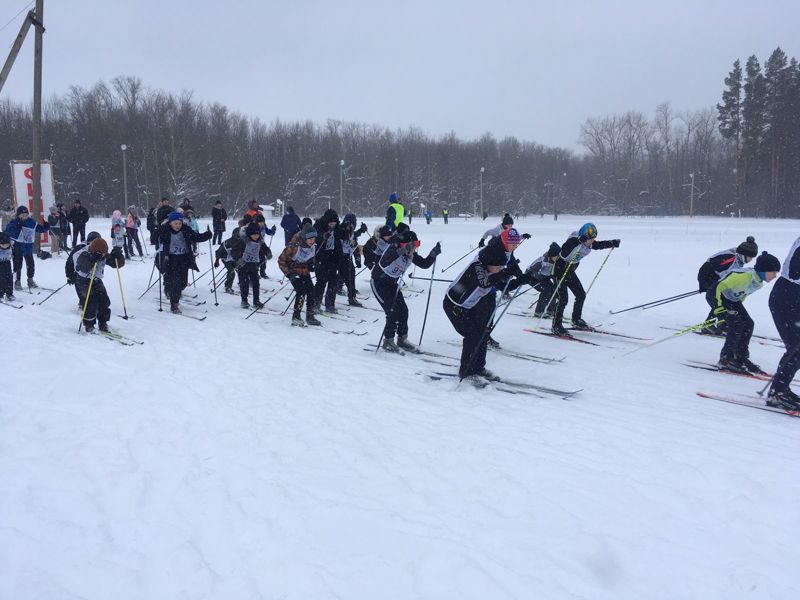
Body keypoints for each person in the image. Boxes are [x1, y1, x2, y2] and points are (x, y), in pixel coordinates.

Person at [444, 235, 528, 380]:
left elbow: (502, 286)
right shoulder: (476, 267)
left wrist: (523, 279)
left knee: (483, 334)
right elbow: (484, 282)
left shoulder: (491, 270)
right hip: (454, 306)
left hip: (468, 306)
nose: (500, 269)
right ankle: (466, 371)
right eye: (498, 266)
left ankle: (478, 368)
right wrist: (505, 273)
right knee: (472, 337)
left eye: (502, 266)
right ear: (490, 263)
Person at [371, 229, 441, 352]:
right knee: (392, 312)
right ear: (405, 245)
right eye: (413, 245)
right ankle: (388, 340)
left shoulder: (410, 254)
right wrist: (402, 250)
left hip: (393, 285)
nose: (415, 249)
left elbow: (424, 264)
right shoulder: (393, 249)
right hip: (379, 283)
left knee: (403, 310)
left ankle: (402, 339)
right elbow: (384, 262)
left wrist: (433, 254)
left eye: (417, 244)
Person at [714, 251, 780, 375]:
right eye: (773, 272)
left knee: (748, 324)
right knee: (737, 324)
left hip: (732, 299)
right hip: (721, 296)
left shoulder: (758, 282)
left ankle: (740, 356)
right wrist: (719, 310)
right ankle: (726, 359)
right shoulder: (745, 276)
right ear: (764, 270)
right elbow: (716, 288)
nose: (775, 276)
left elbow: (741, 294)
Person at [550, 223, 620, 336]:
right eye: (590, 239)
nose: (592, 241)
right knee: (563, 299)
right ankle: (556, 326)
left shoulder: (589, 243)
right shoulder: (573, 241)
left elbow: (598, 245)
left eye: (593, 239)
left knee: (581, 294)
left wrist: (612, 243)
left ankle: (576, 320)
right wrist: (578, 241)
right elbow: (564, 249)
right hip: (559, 270)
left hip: (569, 271)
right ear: (583, 236)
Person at [697, 236, 758, 334]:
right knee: (720, 299)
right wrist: (705, 285)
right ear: (743, 254)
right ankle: (709, 324)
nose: (751, 260)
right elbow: (713, 268)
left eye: (752, 257)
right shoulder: (730, 258)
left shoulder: (739, 258)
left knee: (726, 298)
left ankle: (723, 323)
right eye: (750, 257)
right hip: (708, 276)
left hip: (717, 277)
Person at [767, 238, 800, 410]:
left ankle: (780, 389)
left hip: (793, 297)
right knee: (796, 348)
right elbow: (795, 273)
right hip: (786, 298)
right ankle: (777, 393)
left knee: (797, 348)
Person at [157, 211, 212, 313]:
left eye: (179, 223)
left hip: (184, 259)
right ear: (170, 223)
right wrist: (158, 232)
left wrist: (207, 235)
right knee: (175, 283)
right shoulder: (165, 230)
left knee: (183, 283)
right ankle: (174, 304)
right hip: (171, 259)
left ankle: (172, 291)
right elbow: (156, 238)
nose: (178, 226)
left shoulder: (186, 230)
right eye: (175, 223)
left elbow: (196, 237)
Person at [74, 237, 125, 332]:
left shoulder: (102, 254)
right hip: (82, 281)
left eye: (104, 253)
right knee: (90, 303)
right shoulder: (81, 253)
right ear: (95, 251)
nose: (103, 256)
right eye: (102, 254)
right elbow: (83, 267)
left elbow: (117, 264)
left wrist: (117, 256)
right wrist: (92, 258)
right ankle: (89, 325)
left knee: (104, 301)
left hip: (96, 280)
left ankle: (103, 323)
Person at [278, 226, 321, 326]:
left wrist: (312, 265)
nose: (312, 241)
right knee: (301, 291)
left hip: (304, 271)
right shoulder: (293, 247)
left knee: (311, 291)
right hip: (293, 272)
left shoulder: (313, 246)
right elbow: (281, 260)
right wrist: (289, 274)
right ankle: (296, 316)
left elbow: (311, 259)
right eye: (310, 239)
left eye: (314, 239)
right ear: (304, 238)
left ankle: (310, 315)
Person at [4, 205, 49, 290]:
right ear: (18, 215)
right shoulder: (14, 222)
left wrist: (46, 227)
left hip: (28, 247)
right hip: (18, 247)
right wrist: (17, 227)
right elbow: (8, 232)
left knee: (31, 264)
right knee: (18, 265)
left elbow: (39, 229)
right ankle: (17, 282)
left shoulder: (31, 222)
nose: (24, 217)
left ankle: (30, 280)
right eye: (22, 215)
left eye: (26, 215)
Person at [230, 222, 269, 309]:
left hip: (254, 265)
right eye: (254, 234)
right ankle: (244, 301)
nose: (256, 236)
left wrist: (268, 252)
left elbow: (264, 248)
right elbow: (233, 251)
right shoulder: (243, 241)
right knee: (244, 283)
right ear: (249, 234)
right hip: (243, 265)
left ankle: (256, 301)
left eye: (257, 234)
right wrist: (238, 259)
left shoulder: (259, 241)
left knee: (256, 283)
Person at [312, 209, 343, 312]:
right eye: (330, 223)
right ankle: (316, 304)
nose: (332, 225)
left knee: (333, 282)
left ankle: (330, 305)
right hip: (321, 258)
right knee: (321, 281)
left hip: (333, 258)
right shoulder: (319, 225)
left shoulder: (337, 228)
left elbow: (343, 235)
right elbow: (313, 238)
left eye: (334, 223)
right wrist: (322, 236)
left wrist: (348, 229)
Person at [526, 242, 561, 318]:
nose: (558, 258)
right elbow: (532, 271)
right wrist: (540, 277)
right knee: (546, 290)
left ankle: (551, 310)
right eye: (557, 256)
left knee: (553, 289)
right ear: (552, 255)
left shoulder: (555, 261)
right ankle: (539, 312)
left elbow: (551, 273)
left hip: (544, 278)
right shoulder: (542, 260)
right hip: (531, 277)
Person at [66, 231, 102, 303]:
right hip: (79, 276)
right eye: (92, 242)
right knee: (86, 298)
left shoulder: (100, 249)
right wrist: (69, 276)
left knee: (99, 297)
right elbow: (69, 262)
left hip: (94, 276)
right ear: (89, 241)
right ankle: (83, 304)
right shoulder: (80, 248)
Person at [0, 232, 14, 301]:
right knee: (1, 278)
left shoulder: (11, 245)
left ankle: (9, 293)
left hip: (7, 262)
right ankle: (0, 294)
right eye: (3, 244)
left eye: (7, 244)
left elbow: (15, 254)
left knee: (9, 277)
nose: (5, 246)